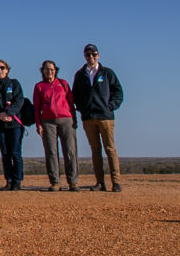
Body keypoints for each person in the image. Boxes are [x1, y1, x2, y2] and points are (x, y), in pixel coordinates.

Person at [72, 43, 124, 191]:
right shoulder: (80, 74)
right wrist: (82, 108)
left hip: (105, 116)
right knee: (95, 149)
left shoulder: (107, 73)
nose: (91, 57)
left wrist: (111, 106)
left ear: (98, 55)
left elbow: (118, 91)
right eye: (88, 55)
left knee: (110, 149)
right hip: (88, 117)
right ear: (84, 56)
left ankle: (116, 182)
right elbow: (75, 95)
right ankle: (100, 182)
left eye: (93, 54)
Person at [33, 59, 79, 191]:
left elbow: (71, 103)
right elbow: (36, 108)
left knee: (70, 151)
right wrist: (38, 124)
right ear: (43, 71)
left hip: (66, 119)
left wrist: (74, 119)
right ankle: (55, 182)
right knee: (51, 152)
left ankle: (73, 182)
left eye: (52, 69)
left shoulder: (63, 84)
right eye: (47, 69)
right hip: (47, 122)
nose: (49, 72)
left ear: (55, 70)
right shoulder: (39, 86)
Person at [0, 59, 26, 190]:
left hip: (14, 123)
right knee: (5, 153)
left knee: (15, 152)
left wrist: (9, 113)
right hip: (0, 124)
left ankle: (17, 180)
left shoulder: (14, 84)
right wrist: (1, 114)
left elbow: (19, 100)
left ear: (7, 69)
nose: (0, 70)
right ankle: (8, 180)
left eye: (2, 67)